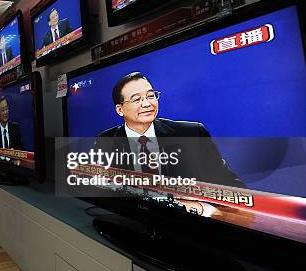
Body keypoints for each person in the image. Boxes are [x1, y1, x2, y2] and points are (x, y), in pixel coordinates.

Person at [95, 72, 245, 187]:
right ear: (120, 109)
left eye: (150, 96)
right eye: (137, 99)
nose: (147, 104)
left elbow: (230, 185)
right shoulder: (105, 141)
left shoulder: (192, 134)